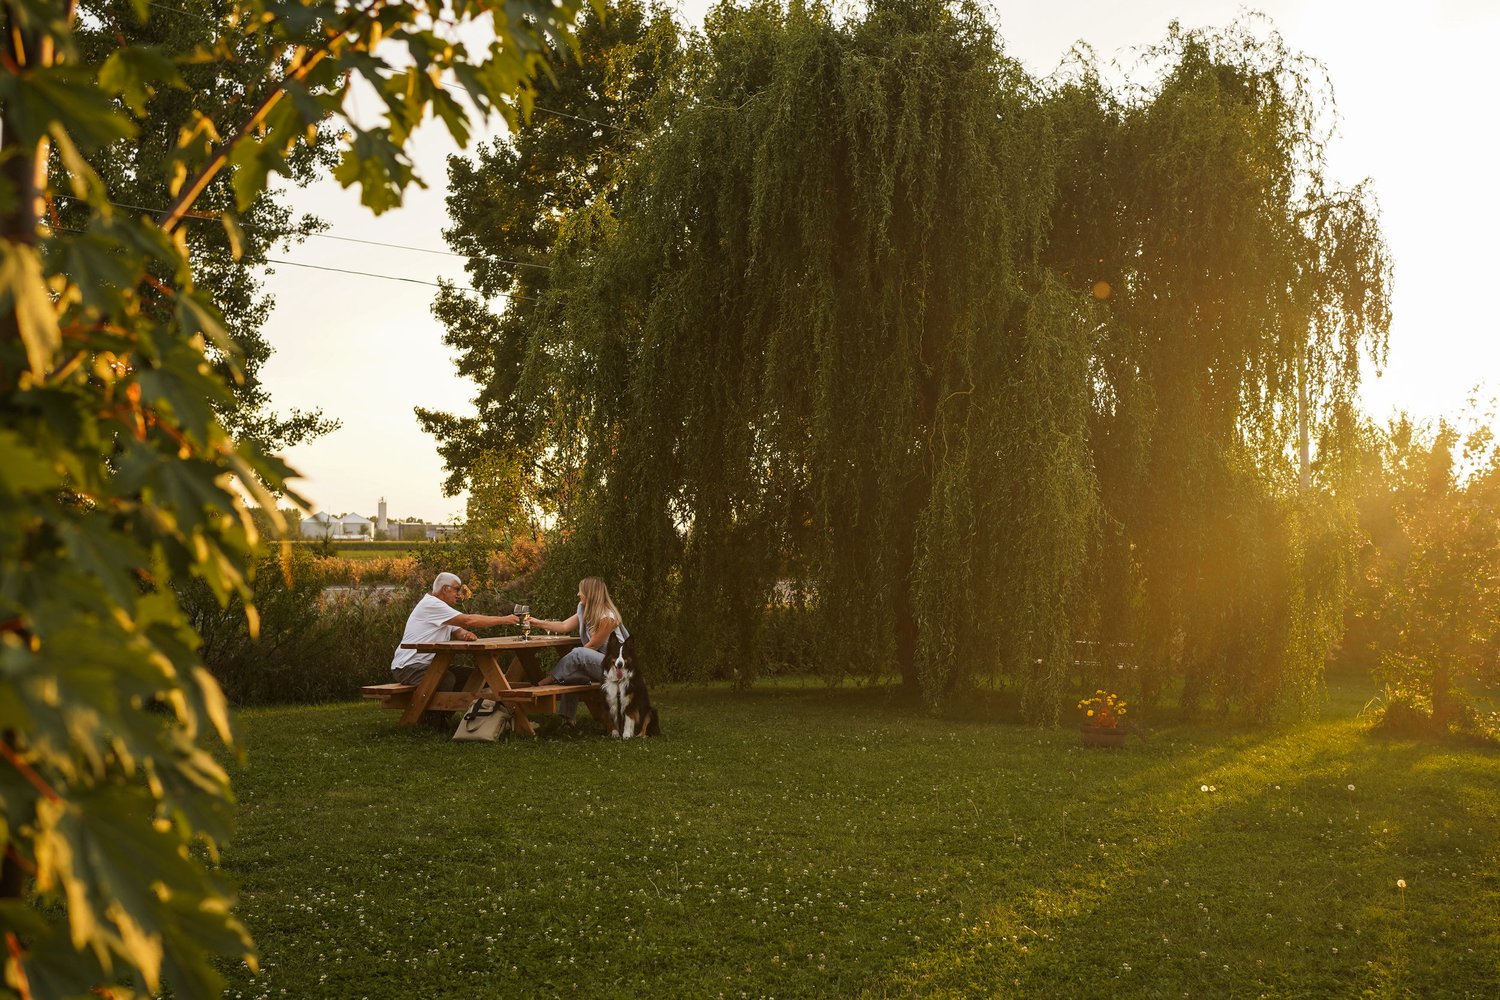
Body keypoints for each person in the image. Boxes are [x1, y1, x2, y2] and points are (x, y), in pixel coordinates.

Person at [390, 572, 518, 690]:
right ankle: (429, 710)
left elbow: (460, 632)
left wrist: (466, 635)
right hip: (408, 667)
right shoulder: (432, 604)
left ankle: (474, 708)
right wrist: (504, 619)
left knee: (480, 677)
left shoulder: (443, 610)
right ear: (446, 589)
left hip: (431, 665)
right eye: (457, 589)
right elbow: (468, 620)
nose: (458, 594)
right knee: (446, 680)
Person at [530, 576, 629, 729]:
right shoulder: (585, 610)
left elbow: (593, 645)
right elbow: (563, 626)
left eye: (581, 591)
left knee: (579, 654)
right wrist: (537, 623)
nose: (578, 594)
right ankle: (568, 720)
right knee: (571, 675)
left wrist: (575, 661)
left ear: (590, 593)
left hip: (617, 668)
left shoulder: (608, 618)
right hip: (601, 664)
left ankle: (550, 678)